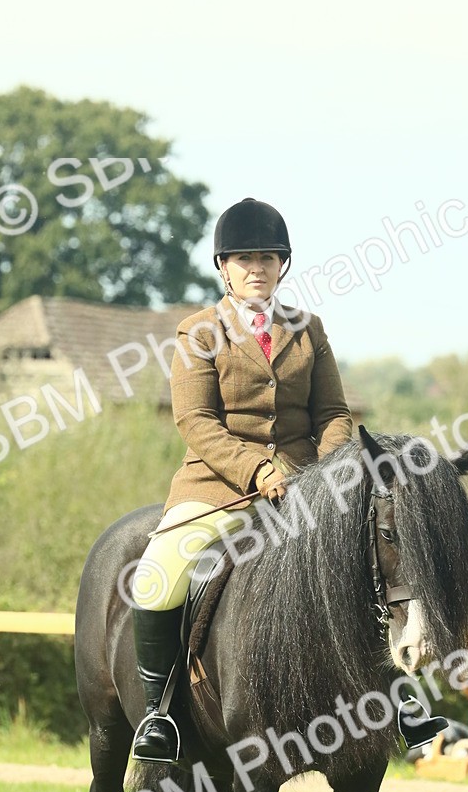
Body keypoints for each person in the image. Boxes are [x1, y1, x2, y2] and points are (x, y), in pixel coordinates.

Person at [129, 197, 353, 761]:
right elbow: (195, 421)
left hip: (304, 489)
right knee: (156, 576)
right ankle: (159, 713)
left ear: (282, 265)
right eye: (245, 259)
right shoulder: (198, 332)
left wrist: (322, 474)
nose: (257, 268)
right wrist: (257, 467)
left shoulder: (308, 330)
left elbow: (333, 414)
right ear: (223, 268)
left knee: (373, 558)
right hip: (218, 489)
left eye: (268, 258)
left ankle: (397, 700)